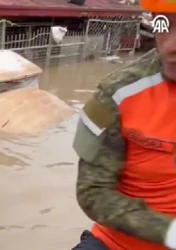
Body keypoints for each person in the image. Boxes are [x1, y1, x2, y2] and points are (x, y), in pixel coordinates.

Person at [71, 5, 176, 250]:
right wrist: (170, 233)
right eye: (164, 25)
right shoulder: (116, 94)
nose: (170, 46)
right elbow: (93, 192)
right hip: (116, 245)